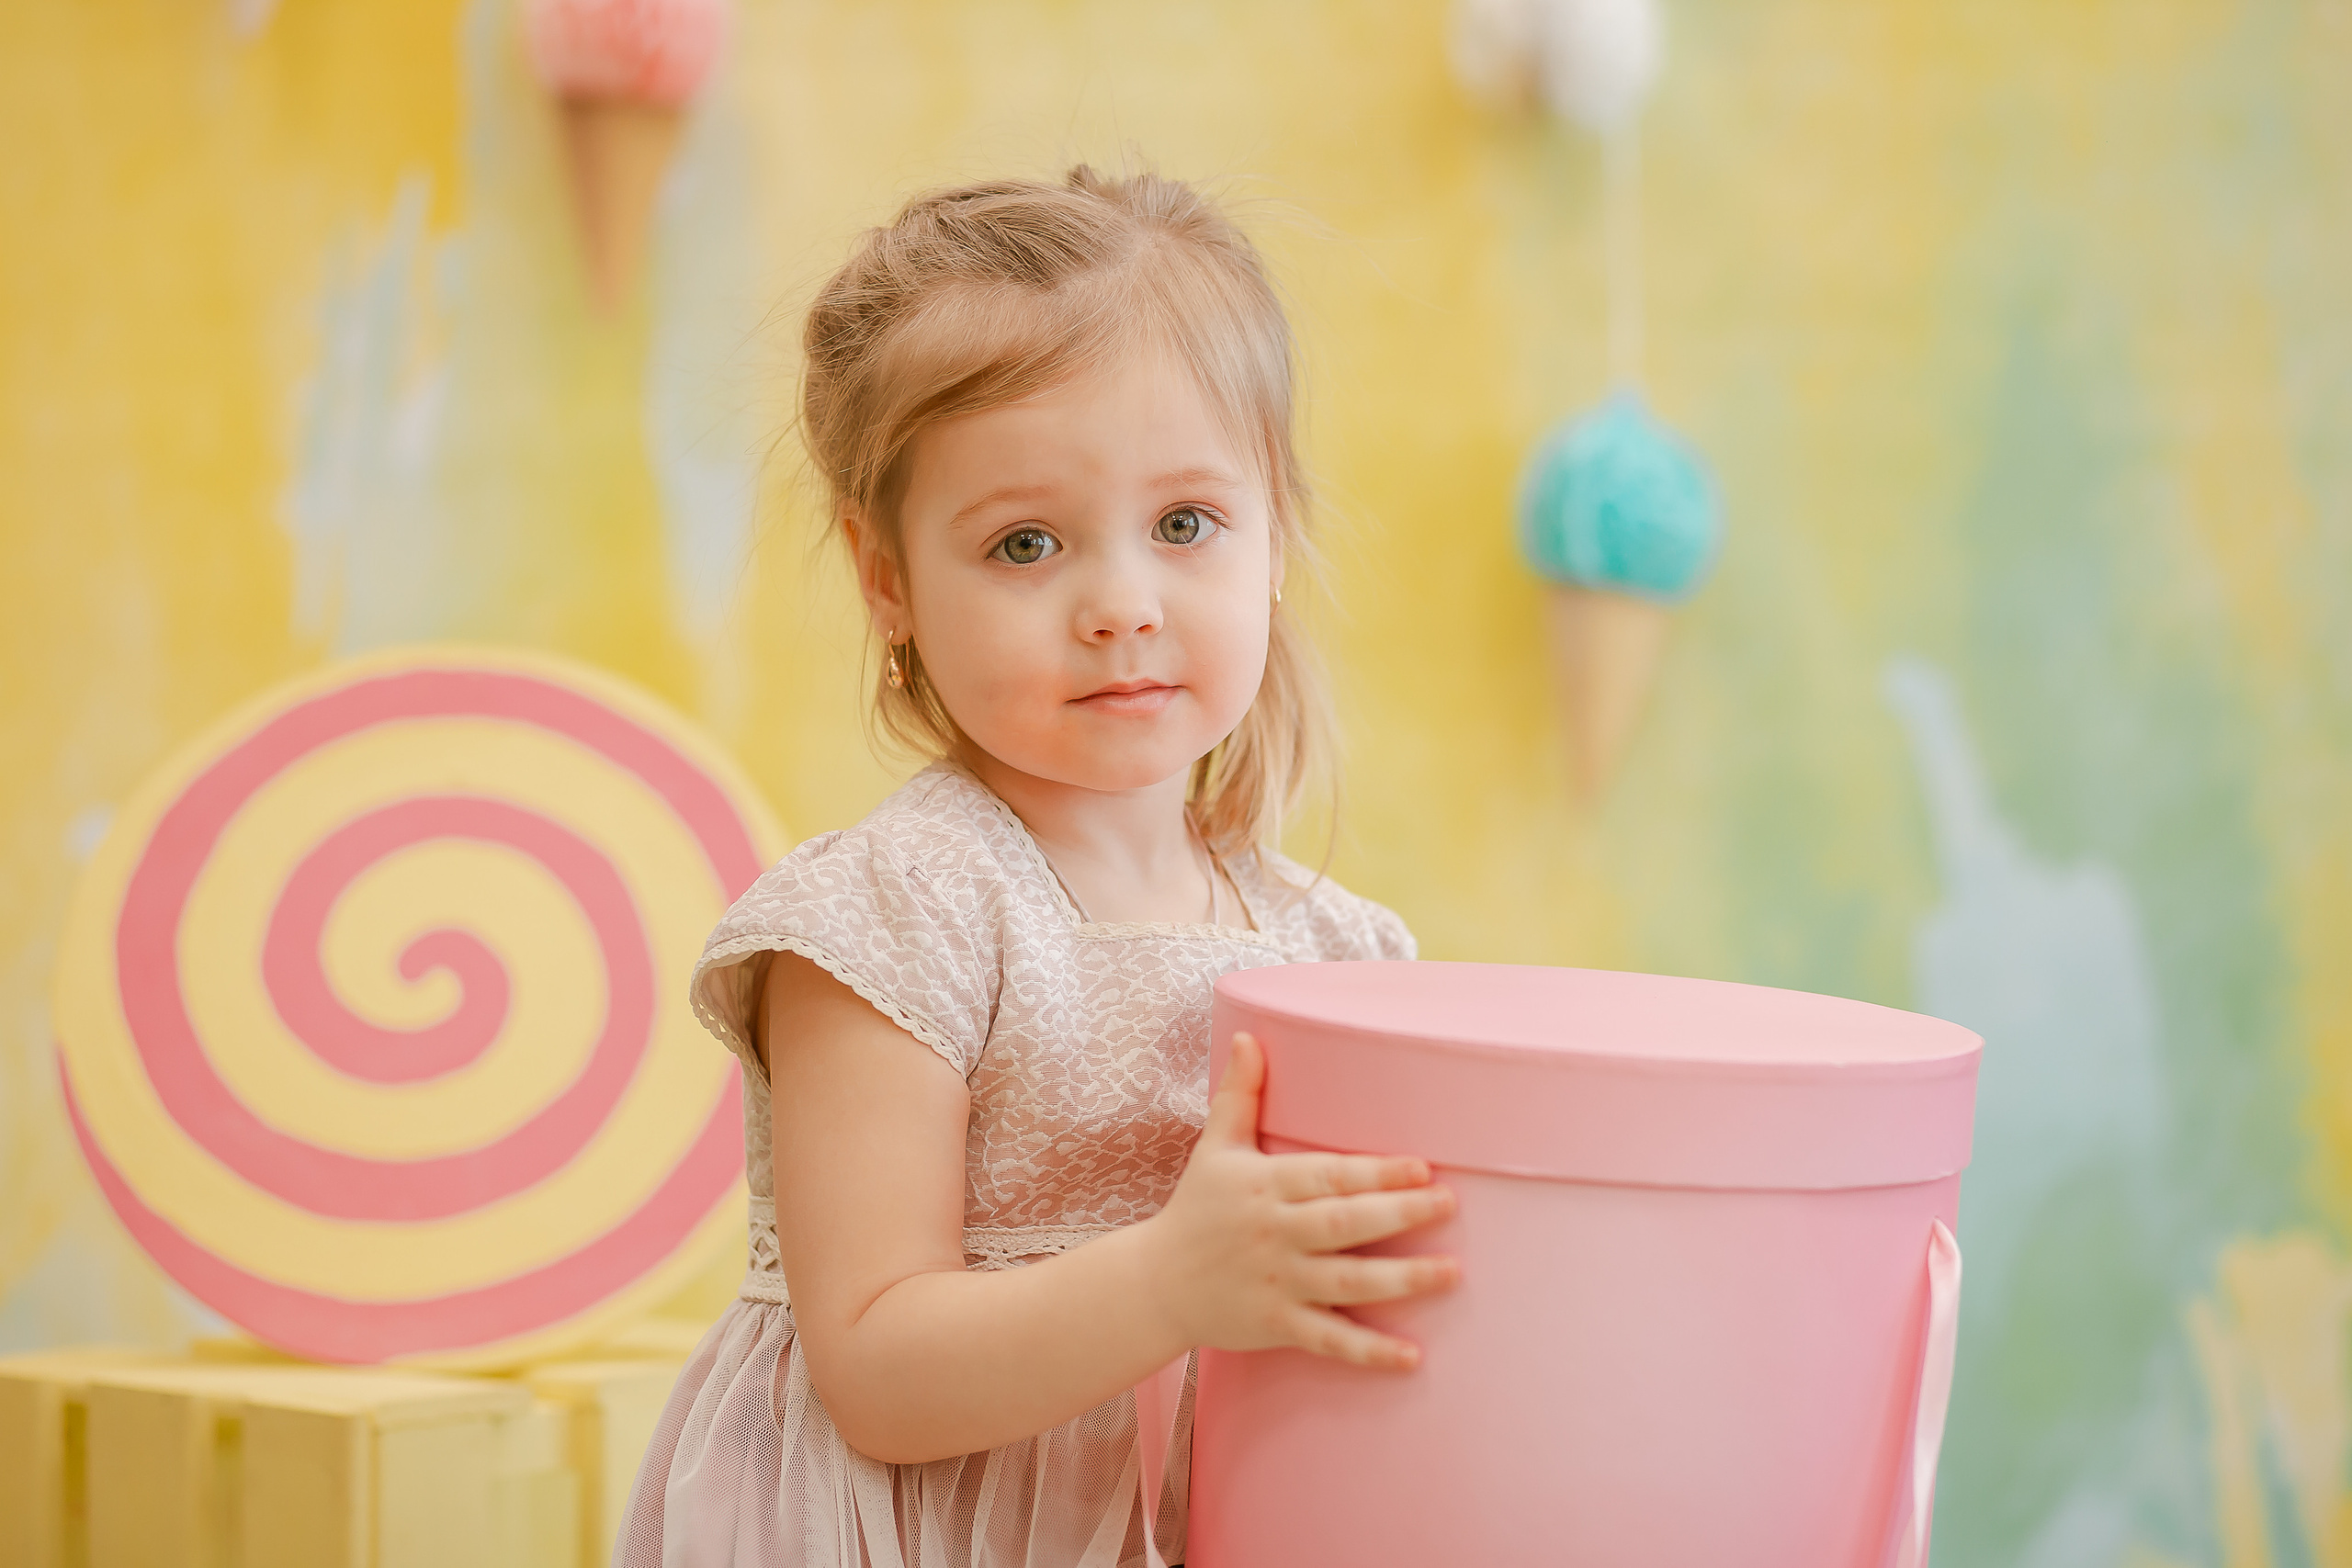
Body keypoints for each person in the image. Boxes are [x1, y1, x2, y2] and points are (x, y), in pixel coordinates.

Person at [617, 164, 1459, 1568]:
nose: (1122, 605)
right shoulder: (895, 921)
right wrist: (1175, 1282)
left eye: (1186, 525)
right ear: (886, 578)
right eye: (1026, 543)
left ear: (1273, 533)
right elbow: (877, 1371)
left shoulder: (1342, 953)